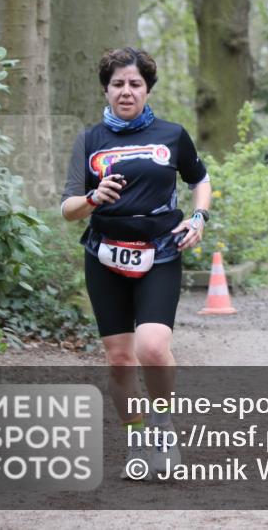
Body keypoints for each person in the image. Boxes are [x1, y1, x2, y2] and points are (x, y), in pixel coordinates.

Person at [60, 48, 211, 479]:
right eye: (118, 84)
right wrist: (91, 199)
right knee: (121, 360)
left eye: (135, 84)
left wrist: (198, 217)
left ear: (147, 89)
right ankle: (138, 439)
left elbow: (199, 179)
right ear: (106, 90)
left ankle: (163, 428)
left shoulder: (172, 135)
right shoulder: (89, 141)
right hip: (104, 254)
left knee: (151, 347)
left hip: (161, 251)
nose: (126, 91)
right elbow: (68, 207)